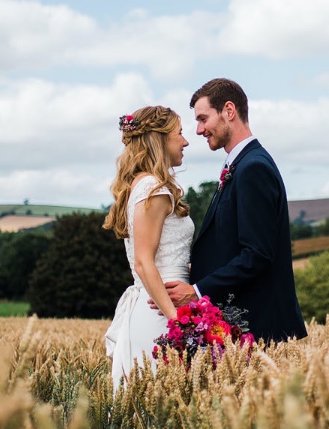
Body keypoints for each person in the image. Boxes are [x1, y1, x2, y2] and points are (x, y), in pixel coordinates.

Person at [162, 78, 308, 343]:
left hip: (259, 327)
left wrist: (197, 290)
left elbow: (257, 254)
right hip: (243, 325)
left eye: (203, 119)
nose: (198, 130)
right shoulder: (242, 164)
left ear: (229, 111)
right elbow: (231, 245)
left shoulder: (253, 168)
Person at [101, 105, 192, 389]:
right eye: (180, 133)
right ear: (160, 140)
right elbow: (143, 262)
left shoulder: (140, 185)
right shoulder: (155, 190)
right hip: (160, 313)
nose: (186, 141)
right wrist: (178, 322)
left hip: (152, 304)